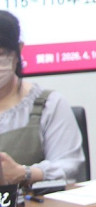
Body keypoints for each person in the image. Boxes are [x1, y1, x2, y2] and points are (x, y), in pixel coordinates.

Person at [0, 11, 85, 185]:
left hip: (34, 201)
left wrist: (24, 173)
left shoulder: (49, 104)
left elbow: (69, 167)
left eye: (1, 54)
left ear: (18, 51)